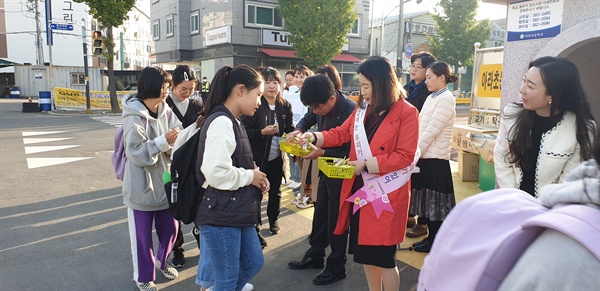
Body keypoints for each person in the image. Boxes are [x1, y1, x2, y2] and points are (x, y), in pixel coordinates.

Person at [296, 56, 419, 291]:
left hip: (386, 194)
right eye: (360, 85)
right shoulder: (363, 109)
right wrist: (313, 136)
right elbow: (341, 133)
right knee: (365, 255)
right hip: (362, 193)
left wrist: (365, 164)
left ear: (382, 83)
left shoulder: (407, 112)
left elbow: (405, 156)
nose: (361, 91)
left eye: (365, 85)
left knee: (384, 260)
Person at [194, 64, 269, 291]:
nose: (259, 102)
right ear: (240, 90)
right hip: (221, 214)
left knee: (253, 262)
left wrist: (254, 175)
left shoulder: (232, 120)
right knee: (227, 279)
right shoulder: (222, 122)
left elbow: (230, 164)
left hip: (232, 210)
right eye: (258, 95)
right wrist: (250, 176)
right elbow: (216, 172)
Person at [499, 126, 600, 290]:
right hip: (525, 208)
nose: (523, 97)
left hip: (551, 206)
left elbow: (567, 178)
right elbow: (501, 158)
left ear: (554, 98)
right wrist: (514, 198)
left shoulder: (577, 127)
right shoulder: (577, 258)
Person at [286, 71, 356, 285]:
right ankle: (315, 255)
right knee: (321, 213)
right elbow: (308, 119)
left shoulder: (350, 111)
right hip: (325, 168)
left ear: (332, 98)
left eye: (318, 107)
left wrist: (321, 152)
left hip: (343, 170)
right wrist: (298, 130)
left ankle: (336, 266)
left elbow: (349, 150)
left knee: (337, 218)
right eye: (312, 107)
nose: (315, 111)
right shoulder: (317, 104)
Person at [494, 56, 596, 197]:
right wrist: (515, 199)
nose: (522, 90)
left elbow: (568, 182)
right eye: (524, 81)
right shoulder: (512, 114)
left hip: (551, 210)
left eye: (530, 86)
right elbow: (501, 158)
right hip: (511, 203)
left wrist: (540, 210)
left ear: (553, 95)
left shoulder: (581, 129)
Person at [121, 67, 182, 291]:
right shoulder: (133, 114)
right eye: (163, 85)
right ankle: (144, 277)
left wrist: (173, 142)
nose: (167, 90)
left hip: (164, 184)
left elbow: (179, 133)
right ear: (150, 86)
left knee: (171, 229)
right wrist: (164, 142)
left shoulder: (166, 110)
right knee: (142, 238)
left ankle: (162, 261)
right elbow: (135, 152)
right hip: (140, 187)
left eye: (168, 85)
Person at [408, 61, 457, 253]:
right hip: (425, 157)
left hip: (436, 159)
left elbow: (431, 131)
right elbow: (421, 127)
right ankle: (430, 239)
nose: (426, 81)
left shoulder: (446, 98)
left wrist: (414, 152)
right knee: (428, 203)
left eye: (429, 77)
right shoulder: (432, 97)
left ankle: (435, 241)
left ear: (441, 78)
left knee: (436, 205)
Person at [241, 67, 294, 237]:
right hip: (257, 158)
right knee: (256, 192)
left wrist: (294, 136)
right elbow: (243, 132)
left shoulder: (284, 106)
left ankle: (273, 219)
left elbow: (290, 129)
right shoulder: (255, 105)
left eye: (275, 82)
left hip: (277, 156)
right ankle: (254, 224)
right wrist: (262, 132)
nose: (272, 86)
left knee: (276, 190)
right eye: (267, 82)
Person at [164, 65, 203, 268]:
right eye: (183, 89)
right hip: (171, 163)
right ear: (173, 85)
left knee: (197, 202)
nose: (187, 93)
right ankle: (178, 248)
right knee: (176, 206)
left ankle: (200, 236)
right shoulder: (164, 105)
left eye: (191, 89)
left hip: (194, 163)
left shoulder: (197, 105)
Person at [404, 52, 438, 239]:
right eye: (413, 65)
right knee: (411, 181)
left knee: (422, 182)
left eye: (418, 66)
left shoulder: (429, 92)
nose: (414, 69)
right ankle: (409, 215)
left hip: (421, 141)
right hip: (406, 139)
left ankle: (422, 223)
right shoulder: (406, 88)